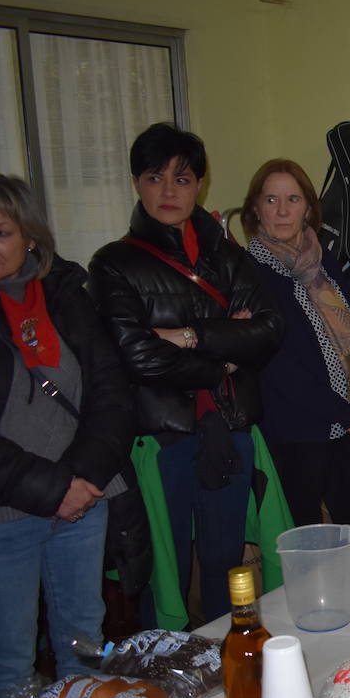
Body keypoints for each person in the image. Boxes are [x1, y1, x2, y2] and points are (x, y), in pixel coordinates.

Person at [0, 174, 134, 698]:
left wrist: (79, 483)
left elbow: (111, 394)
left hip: (82, 501)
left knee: (83, 643)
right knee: (10, 664)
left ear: (29, 237)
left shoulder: (64, 295)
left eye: (1, 232)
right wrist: (55, 490)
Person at [91, 123, 283, 625]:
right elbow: (136, 356)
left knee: (227, 565)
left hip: (229, 429)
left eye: (182, 178)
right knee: (166, 571)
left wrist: (188, 335)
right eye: (156, 178)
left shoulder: (226, 254)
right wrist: (224, 350)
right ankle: (170, 680)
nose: (169, 191)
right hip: (162, 438)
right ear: (137, 183)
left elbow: (267, 332)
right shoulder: (114, 263)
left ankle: (229, 663)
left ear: (200, 184)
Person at [242, 158, 350, 536]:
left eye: (293, 199)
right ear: (255, 208)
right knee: (305, 543)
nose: (283, 210)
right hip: (296, 431)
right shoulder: (248, 273)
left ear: (308, 208)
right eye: (271, 200)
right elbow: (277, 365)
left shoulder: (323, 260)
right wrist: (346, 413)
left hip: (347, 423)